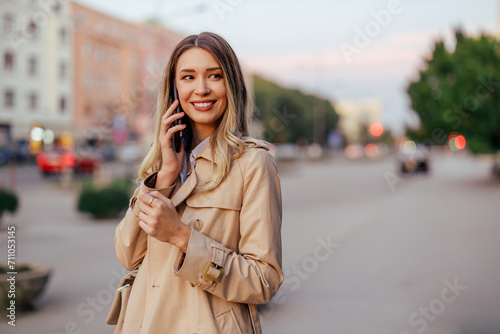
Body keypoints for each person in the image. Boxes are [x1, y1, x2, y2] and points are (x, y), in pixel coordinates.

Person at [114, 32, 283, 334]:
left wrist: (182, 237)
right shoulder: (163, 164)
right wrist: (164, 177)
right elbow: (128, 255)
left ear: (230, 85)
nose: (201, 89)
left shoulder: (254, 164)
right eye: (188, 77)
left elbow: (263, 281)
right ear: (175, 88)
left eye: (214, 75)